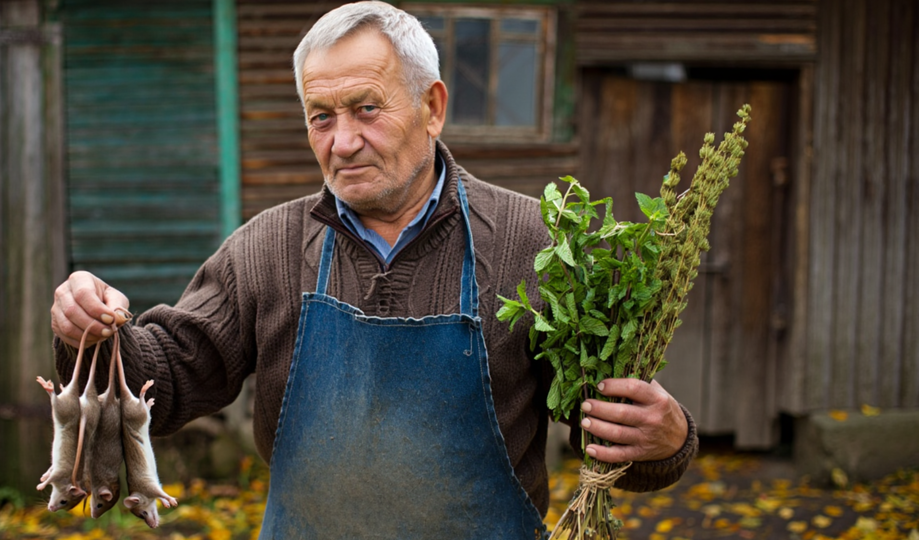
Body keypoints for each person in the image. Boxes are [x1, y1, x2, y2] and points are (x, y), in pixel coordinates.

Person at [50, 2, 696, 537]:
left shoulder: (533, 244)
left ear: (433, 107)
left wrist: (667, 439)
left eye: (366, 109)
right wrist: (93, 334)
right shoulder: (267, 248)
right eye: (321, 117)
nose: (343, 142)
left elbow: (611, 438)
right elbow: (166, 381)